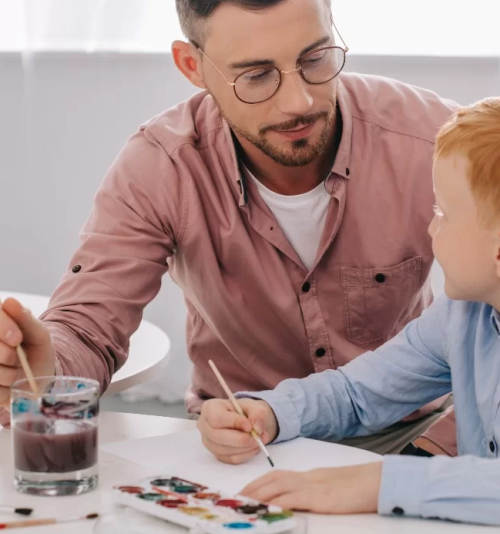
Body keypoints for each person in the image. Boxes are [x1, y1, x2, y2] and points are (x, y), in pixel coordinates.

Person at [0, 0, 455, 454]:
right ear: (192, 66)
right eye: (256, 75)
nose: (300, 101)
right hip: (241, 441)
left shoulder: (432, 139)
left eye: (314, 59)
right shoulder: (162, 167)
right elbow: (88, 327)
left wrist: (437, 452)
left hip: (411, 433)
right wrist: (45, 371)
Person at [197, 98, 500, 525]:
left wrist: (379, 483)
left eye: (443, 214)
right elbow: (361, 392)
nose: (431, 227)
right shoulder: (462, 314)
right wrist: (270, 412)